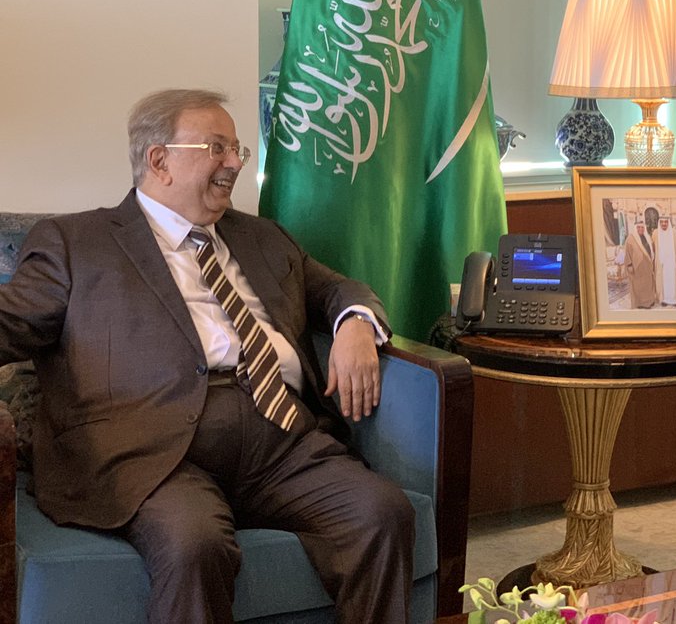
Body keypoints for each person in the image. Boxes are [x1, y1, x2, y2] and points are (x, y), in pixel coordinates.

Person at [0, 89, 415, 624]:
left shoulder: (263, 237)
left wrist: (356, 322)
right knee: (193, 545)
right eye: (217, 147)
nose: (235, 163)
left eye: (237, 149)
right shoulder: (76, 242)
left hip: (283, 442)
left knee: (382, 514)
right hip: (151, 454)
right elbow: (12, 321)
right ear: (159, 160)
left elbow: (337, 289)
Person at [622, 216, 657, 309]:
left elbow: (652, 249)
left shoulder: (647, 237)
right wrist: (629, 265)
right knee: (639, 286)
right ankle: (640, 303)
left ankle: (650, 301)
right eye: (638, 227)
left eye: (642, 227)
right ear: (635, 228)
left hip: (648, 266)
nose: (640, 229)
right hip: (637, 267)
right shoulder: (630, 239)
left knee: (648, 285)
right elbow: (627, 253)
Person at [653, 215, 676, 307]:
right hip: (662, 264)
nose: (664, 224)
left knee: (673, 281)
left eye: (665, 222)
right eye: (662, 222)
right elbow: (653, 247)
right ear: (659, 223)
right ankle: (664, 299)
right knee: (663, 282)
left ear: (668, 223)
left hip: (672, 263)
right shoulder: (656, 233)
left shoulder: (674, 233)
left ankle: (675, 300)